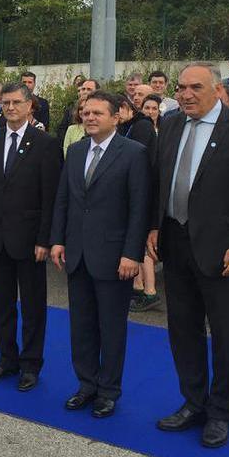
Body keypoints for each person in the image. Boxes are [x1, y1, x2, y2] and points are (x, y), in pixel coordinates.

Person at [147, 62, 229, 448]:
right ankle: (194, 402)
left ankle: (220, 412)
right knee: (182, 331)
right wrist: (153, 226)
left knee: (226, 336)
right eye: (181, 87)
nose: (185, 94)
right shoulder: (169, 124)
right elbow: (159, 182)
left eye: (195, 87)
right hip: (176, 243)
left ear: (217, 89)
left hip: (224, 253)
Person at [50, 90, 149, 418]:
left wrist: (132, 253)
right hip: (77, 253)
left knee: (111, 327)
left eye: (97, 113)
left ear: (116, 116)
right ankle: (86, 384)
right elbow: (63, 198)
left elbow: (139, 209)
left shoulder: (134, 153)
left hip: (114, 257)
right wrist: (58, 240)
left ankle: (108, 390)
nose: (89, 117)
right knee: (81, 325)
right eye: (85, 112)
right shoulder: (76, 151)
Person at [0, 82, 62, 391]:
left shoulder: (45, 143)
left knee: (33, 306)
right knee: (1, 304)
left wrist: (44, 240)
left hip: (29, 240)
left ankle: (31, 365)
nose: (10, 108)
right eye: (6, 103)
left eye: (16, 103)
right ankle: (6, 359)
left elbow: (50, 197)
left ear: (29, 106)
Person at [115, 94, 159, 312]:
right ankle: (139, 286)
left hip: (142, 188)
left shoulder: (141, 127)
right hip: (136, 188)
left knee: (142, 247)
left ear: (124, 108)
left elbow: (138, 161)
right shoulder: (133, 125)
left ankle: (149, 290)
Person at [56, 78, 99, 145]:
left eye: (89, 89)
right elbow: (62, 129)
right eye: (83, 89)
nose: (85, 92)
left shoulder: (104, 109)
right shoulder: (71, 109)